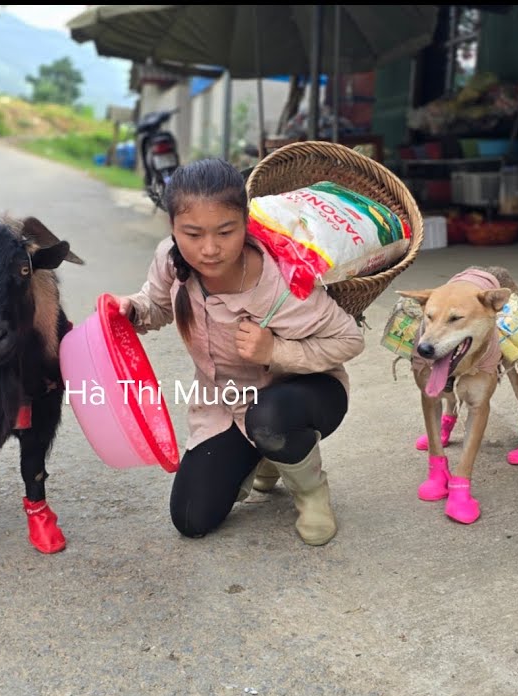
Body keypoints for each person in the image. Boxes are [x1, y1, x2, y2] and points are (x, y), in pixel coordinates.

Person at [113, 158, 365, 546]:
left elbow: (349, 340)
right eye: (192, 234)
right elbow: (158, 303)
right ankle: (267, 454)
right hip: (225, 404)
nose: (209, 249)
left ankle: (311, 492)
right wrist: (132, 309)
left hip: (303, 395)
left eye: (225, 232)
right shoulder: (170, 259)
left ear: (245, 224)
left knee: (270, 420)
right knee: (191, 518)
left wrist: (275, 350)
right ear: (173, 229)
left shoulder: (281, 282)